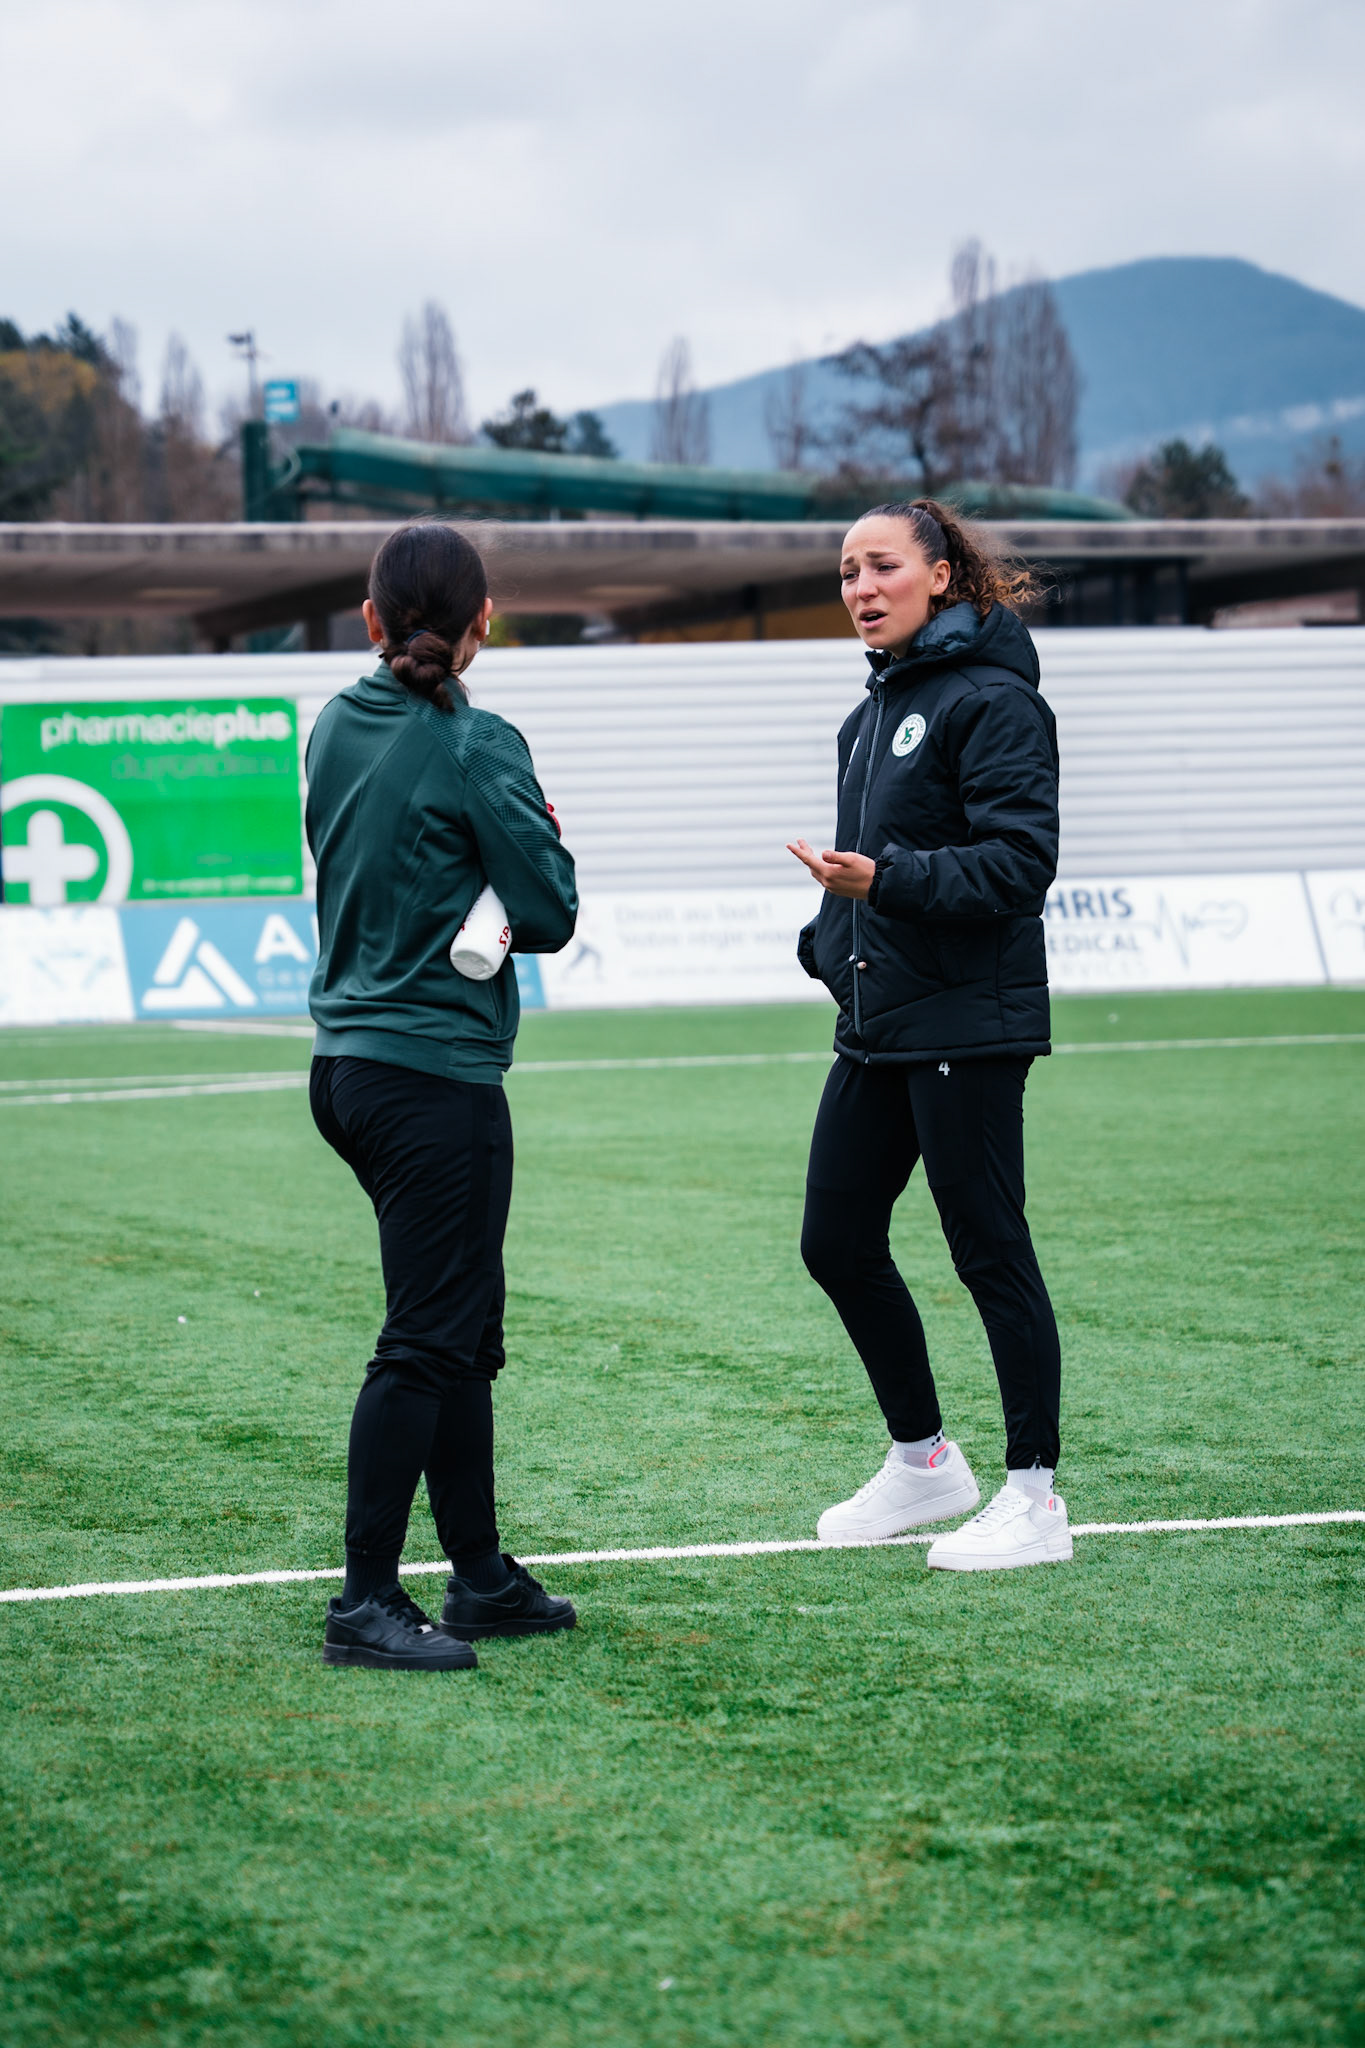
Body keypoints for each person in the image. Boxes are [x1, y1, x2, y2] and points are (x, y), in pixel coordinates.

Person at [306, 522, 580, 1669]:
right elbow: (552, 913)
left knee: (457, 1330)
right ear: (484, 626)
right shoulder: (479, 739)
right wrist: (538, 848)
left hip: (347, 1068)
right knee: (430, 1337)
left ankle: (478, 1575)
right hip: (435, 1077)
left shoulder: (330, 722)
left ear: (369, 622)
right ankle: (366, 1599)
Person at [788, 499, 1070, 1572]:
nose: (861, 587)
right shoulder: (868, 717)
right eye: (848, 571)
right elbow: (865, 864)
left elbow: (1018, 865)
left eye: (883, 566)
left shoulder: (995, 702)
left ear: (942, 575)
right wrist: (825, 939)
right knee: (836, 1240)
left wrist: (887, 882)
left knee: (989, 1249)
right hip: (879, 1022)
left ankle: (1036, 1499)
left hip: (969, 1020)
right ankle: (923, 1461)